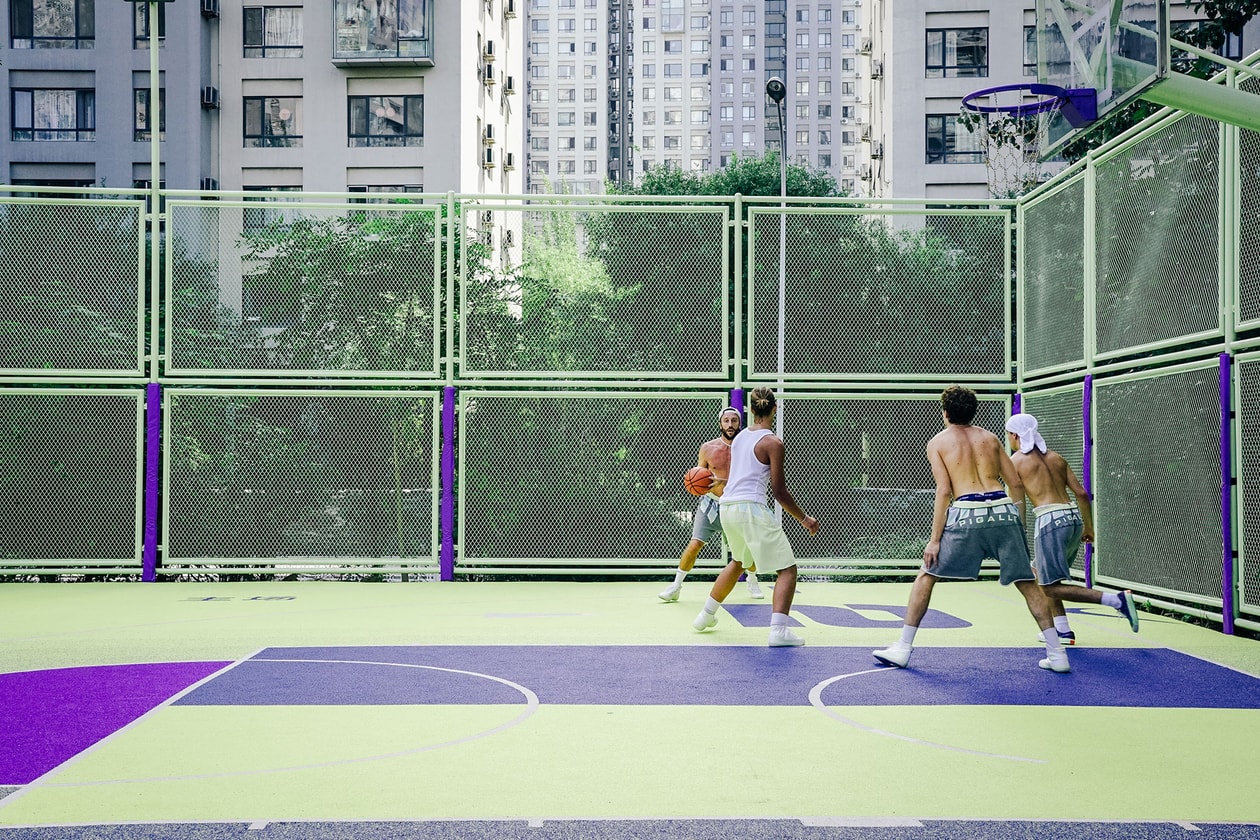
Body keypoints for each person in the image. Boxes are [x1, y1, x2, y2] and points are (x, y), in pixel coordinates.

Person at [873, 386, 1070, 673]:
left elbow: (943, 491)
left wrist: (934, 541)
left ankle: (903, 647)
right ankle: (1057, 654)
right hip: (1003, 508)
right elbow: (1015, 484)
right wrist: (1018, 524)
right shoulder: (989, 438)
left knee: (927, 575)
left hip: (967, 510)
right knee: (1027, 583)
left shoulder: (937, 442)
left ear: (945, 413)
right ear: (973, 411)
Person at [692, 388, 820, 646]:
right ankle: (779, 631)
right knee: (787, 569)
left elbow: (742, 477)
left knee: (738, 561)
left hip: (728, 507)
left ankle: (705, 616)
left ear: (750, 411)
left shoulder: (739, 439)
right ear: (775, 409)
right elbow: (779, 491)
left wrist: (722, 480)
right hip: (751, 509)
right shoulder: (773, 443)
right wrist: (804, 518)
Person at [1005, 412, 1139, 641]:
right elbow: (1081, 494)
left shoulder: (1015, 462)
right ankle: (1063, 630)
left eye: (1008, 435)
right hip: (1073, 519)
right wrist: (1088, 527)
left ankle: (1116, 600)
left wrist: (1018, 533)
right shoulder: (1056, 458)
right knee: (1042, 575)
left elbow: (1019, 502)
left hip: (1050, 522)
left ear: (1014, 435)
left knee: (1047, 587)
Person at [659, 407, 764, 602]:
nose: (730, 425)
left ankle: (752, 580)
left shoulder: (747, 449)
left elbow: (748, 478)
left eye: (734, 420)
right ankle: (676, 586)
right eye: (726, 421)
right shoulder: (707, 448)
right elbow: (699, 473)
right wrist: (695, 482)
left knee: (745, 549)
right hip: (710, 504)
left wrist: (722, 480)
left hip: (733, 504)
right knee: (695, 544)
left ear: (739, 423)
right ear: (720, 423)